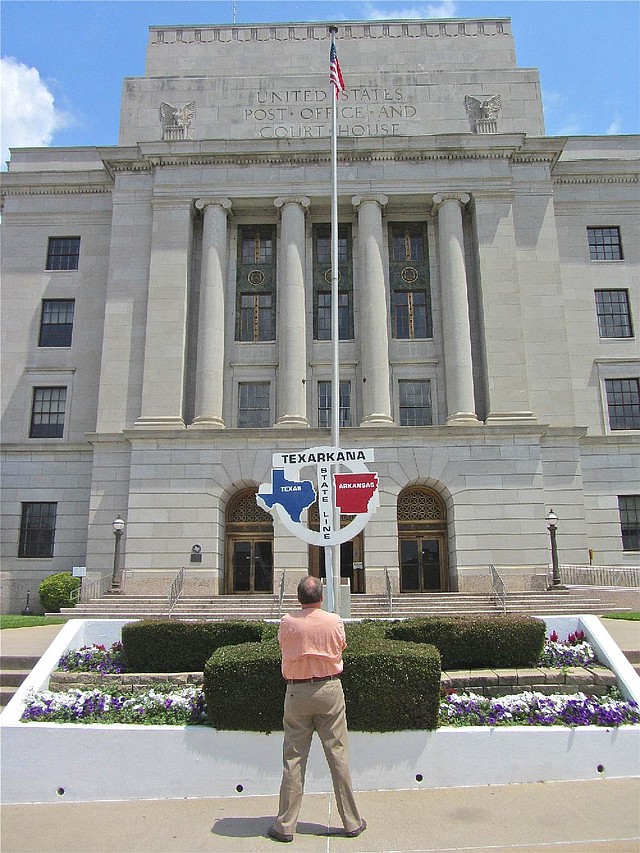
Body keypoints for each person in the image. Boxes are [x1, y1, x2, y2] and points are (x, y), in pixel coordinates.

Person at [268, 575, 366, 843]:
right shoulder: (334, 621)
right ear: (321, 597)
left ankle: (285, 825)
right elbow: (340, 647)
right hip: (329, 690)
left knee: (294, 759)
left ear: (299, 598)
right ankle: (352, 822)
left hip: (297, 691)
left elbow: (283, 646)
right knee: (338, 756)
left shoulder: (288, 622)